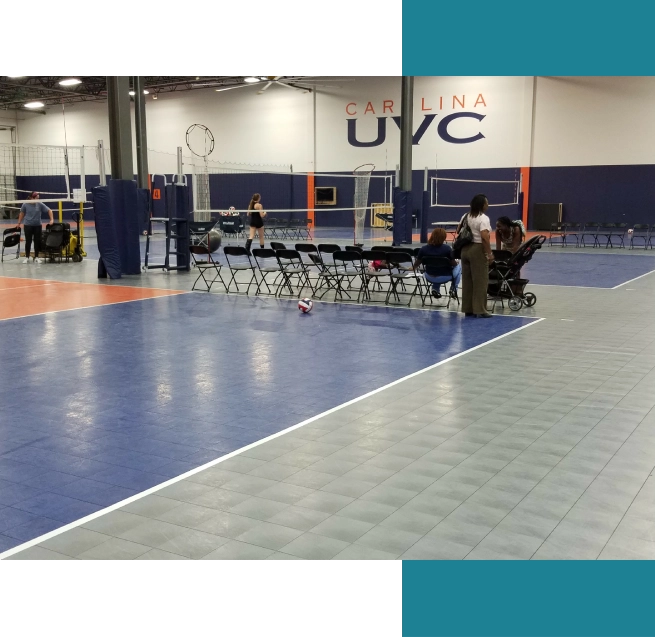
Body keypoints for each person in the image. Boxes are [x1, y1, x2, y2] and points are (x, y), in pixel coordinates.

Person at [456, 194, 494, 318]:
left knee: (467, 280)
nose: (488, 205)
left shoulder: (465, 216)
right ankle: (480, 310)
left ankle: (468, 308)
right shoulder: (483, 218)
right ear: (482, 205)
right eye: (486, 203)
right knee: (480, 281)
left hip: (465, 250)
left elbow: (458, 231)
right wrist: (489, 253)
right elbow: (484, 237)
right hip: (477, 250)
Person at [415, 228, 462, 299]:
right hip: (445, 276)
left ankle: (435, 289)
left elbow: (417, 263)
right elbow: (454, 264)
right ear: (444, 237)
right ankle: (453, 289)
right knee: (458, 267)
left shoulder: (423, 249)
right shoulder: (447, 249)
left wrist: (412, 268)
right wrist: (456, 262)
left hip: (429, 276)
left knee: (436, 266)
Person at [18, 192, 53, 264]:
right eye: (37, 198)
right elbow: (22, 213)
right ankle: (27, 257)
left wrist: (51, 219)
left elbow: (49, 210)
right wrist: (19, 223)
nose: (38, 199)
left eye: (38, 198)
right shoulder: (25, 204)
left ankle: (36, 257)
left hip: (37, 226)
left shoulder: (40, 204)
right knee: (28, 241)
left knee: (37, 241)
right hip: (28, 225)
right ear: (31, 198)